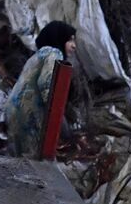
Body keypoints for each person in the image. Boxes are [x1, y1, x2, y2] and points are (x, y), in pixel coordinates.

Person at [5, 21, 77, 158]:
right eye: (70, 40)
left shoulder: (38, 55)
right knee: (32, 164)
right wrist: (60, 120)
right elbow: (48, 85)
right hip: (28, 116)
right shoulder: (53, 53)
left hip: (16, 112)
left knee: (17, 160)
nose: (74, 46)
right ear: (59, 38)